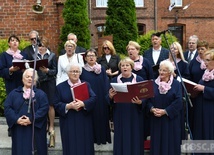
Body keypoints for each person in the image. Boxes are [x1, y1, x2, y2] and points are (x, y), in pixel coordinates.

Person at [54, 62, 96, 155]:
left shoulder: (86, 85)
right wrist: (68, 106)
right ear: (68, 73)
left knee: (85, 144)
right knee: (70, 144)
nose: (75, 73)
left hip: (84, 120)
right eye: (72, 71)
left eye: (77, 71)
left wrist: (83, 103)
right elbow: (56, 104)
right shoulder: (60, 87)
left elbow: (93, 98)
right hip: (69, 120)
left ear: (80, 73)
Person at [4, 68, 49, 155]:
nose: (29, 79)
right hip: (19, 129)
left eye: (32, 77)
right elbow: (7, 108)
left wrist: (31, 119)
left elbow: (44, 109)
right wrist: (16, 119)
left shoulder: (41, 94)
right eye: (27, 77)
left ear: (35, 80)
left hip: (35, 131)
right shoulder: (14, 93)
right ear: (22, 79)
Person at [109, 57, 145, 155]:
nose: (124, 67)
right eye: (122, 65)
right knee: (121, 135)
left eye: (127, 65)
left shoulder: (139, 79)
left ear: (131, 67)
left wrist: (140, 102)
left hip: (134, 112)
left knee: (135, 135)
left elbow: (146, 97)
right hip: (120, 112)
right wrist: (110, 97)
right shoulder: (114, 80)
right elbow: (107, 98)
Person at [147, 60, 183, 155]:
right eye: (160, 70)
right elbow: (148, 100)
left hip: (170, 120)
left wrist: (165, 111)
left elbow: (179, 101)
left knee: (171, 144)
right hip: (156, 120)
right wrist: (151, 109)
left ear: (170, 72)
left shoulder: (176, 84)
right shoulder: (153, 84)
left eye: (164, 70)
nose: (161, 72)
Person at [80, 48, 111, 145]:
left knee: (101, 117)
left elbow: (106, 83)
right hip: (89, 99)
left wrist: (107, 96)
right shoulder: (82, 70)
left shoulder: (101, 68)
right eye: (89, 56)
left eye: (93, 55)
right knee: (91, 119)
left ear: (96, 57)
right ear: (85, 58)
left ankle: (102, 138)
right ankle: (92, 139)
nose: (91, 57)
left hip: (101, 98)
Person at [126, 40, 153, 141]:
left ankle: (144, 138)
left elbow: (151, 78)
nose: (130, 51)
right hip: (130, 93)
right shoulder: (126, 62)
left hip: (144, 93)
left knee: (144, 116)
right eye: (128, 49)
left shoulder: (145, 61)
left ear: (137, 50)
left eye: (132, 49)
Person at [36, 36, 57, 147]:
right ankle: (43, 124)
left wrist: (47, 70)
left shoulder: (52, 55)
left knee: (50, 104)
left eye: (43, 46)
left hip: (49, 82)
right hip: (39, 82)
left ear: (46, 46)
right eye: (39, 46)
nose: (41, 48)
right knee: (40, 105)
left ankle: (51, 126)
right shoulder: (35, 56)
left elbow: (55, 71)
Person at [192, 50, 214, 146]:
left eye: (208, 60)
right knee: (200, 133)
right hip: (200, 108)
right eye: (205, 60)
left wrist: (204, 89)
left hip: (211, 110)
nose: (205, 62)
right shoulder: (205, 73)